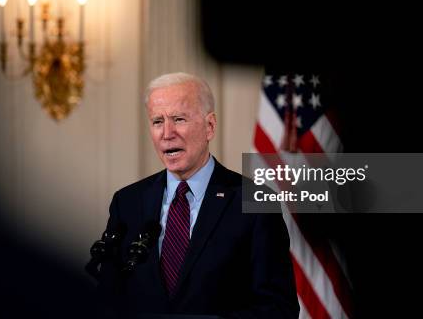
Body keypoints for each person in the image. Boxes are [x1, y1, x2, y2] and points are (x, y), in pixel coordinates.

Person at [97, 72, 299, 318]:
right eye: (157, 121)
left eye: (179, 119)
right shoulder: (127, 202)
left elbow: (279, 309)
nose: (167, 133)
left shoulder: (255, 202)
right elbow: (108, 300)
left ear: (210, 126)